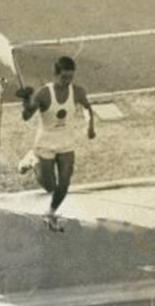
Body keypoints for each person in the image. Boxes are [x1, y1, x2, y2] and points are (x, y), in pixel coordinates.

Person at [18, 56, 96, 230]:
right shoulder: (43, 93)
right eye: (63, 77)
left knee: (65, 182)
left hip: (66, 141)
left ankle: (50, 213)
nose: (67, 81)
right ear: (55, 75)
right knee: (50, 187)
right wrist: (26, 102)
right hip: (45, 143)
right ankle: (32, 159)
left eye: (70, 77)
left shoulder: (77, 91)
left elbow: (87, 107)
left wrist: (90, 125)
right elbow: (26, 116)